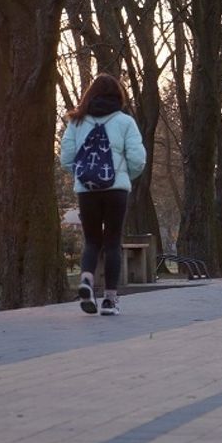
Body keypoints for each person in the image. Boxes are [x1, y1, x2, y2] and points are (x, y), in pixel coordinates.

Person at [60, 74, 146, 316]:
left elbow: (66, 158)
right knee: (112, 242)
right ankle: (110, 300)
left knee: (92, 241)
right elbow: (138, 159)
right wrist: (124, 175)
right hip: (116, 189)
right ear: (119, 96)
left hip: (87, 190)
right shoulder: (125, 122)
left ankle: (86, 279)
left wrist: (83, 174)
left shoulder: (76, 122)